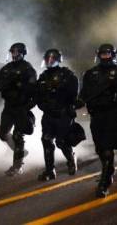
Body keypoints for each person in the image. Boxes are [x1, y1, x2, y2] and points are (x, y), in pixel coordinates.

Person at [79, 44, 117, 197]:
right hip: (96, 116)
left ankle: (105, 182)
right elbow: (84, 93)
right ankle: (108, 170)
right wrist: (76, 103)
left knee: (107, 150)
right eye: (103, 54)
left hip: (112, 115)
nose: (105, 56)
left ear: (113, 55)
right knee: (100, 148)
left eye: (108, 54)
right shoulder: (91, 73)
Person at [0, 42, 37, 176]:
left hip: (22, 106)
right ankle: (20, 151)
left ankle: (17, 165)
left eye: (17, 52)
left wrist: (29, 104)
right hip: (9, 105)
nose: (14, 54)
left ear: (23, 53)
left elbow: (33, 88)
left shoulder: (28, 68)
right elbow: (0, 83)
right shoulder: (6, 69)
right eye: (13, 52)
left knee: (18, 135)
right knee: (3, 134)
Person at [35, 49, 79, 180]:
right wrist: (44, 106)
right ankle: (50, 171)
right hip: (49, 114)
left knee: (61, 141)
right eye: (47, 59)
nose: (49, 61)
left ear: (58, 60)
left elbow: (73, 93)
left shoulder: (67, 74)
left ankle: (71, 159)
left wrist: (67, 106)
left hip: (63, 113)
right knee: (46, 140)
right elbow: (38, 95)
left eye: (52, 59)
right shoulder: (43, 76)